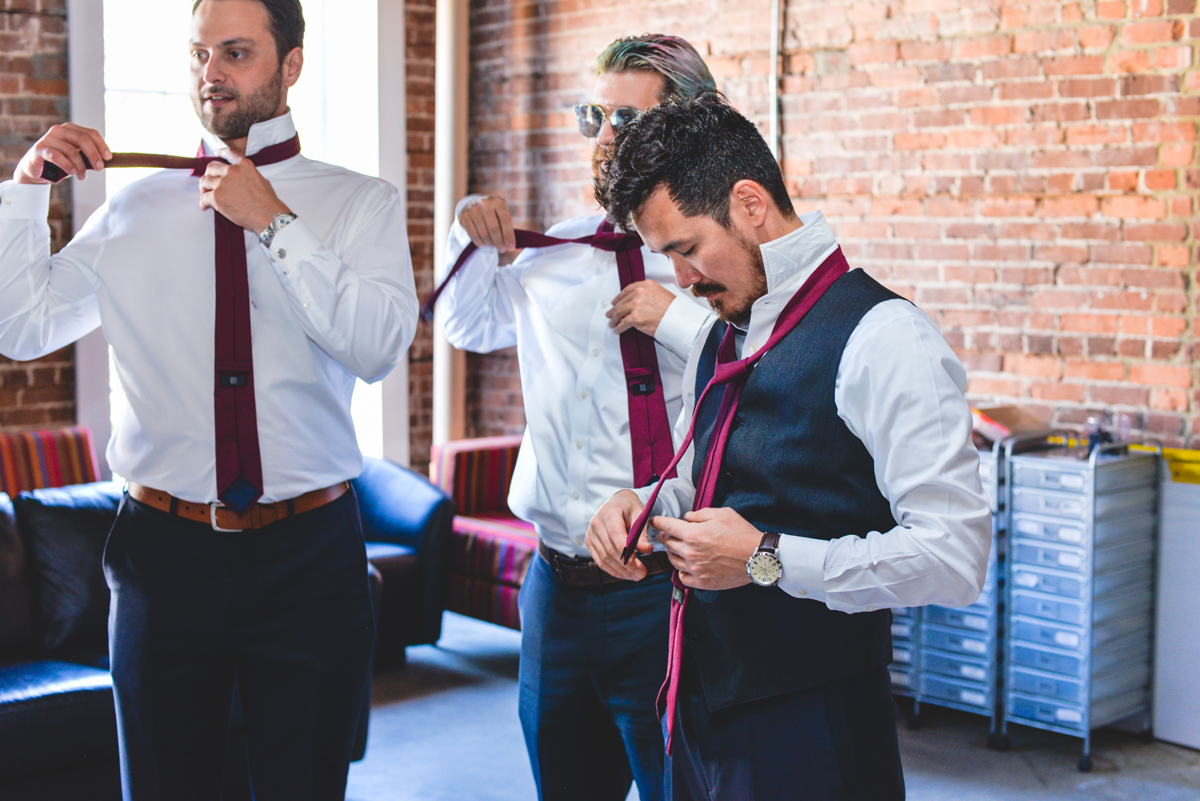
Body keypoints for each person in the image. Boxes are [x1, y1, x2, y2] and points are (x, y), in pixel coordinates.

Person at [0, 0, 417, 798]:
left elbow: (375, 348)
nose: (210, 74)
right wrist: (25, 192)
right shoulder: (132, 207)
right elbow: (22, 326)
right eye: (199, 54)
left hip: (310, 555)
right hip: (164, 555)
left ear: (291, 65)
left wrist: (276, 223)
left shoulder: (360, 204)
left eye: (236, 52)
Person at [588, 91, 992, 800]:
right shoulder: (736, 322)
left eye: (684, 250)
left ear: (749, 203)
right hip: (700, 711)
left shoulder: (887, 338)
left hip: (814, 740)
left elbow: (954, 558)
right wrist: (650, 505)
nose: (680, 281)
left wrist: (766, 560)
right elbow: (730, 475)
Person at [438, 35, 717, 801]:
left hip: (672, 595)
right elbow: (467, 324)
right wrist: (465, 234)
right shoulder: (550, 252)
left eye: (627, 119)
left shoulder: (720, 270)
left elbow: (757, 392)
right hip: (556, 592)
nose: (604, 137)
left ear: (688, 129)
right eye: (595, 115)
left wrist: (685, 325)